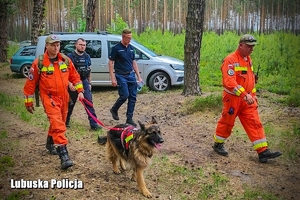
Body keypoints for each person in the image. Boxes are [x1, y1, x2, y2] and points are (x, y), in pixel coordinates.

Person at [212, 34, 282, 163]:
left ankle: (263, 152)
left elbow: (250, 81)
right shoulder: (230, 60)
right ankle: (218, 144)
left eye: (253, 46)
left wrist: (253, 97)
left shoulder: (248, 59)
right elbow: (230, 82)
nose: (251, 49)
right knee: (227, 122)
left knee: (255, 122)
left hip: (248, 99)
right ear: (240, 45)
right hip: (233, 99)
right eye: (249, 46)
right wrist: (245, 95)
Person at [23, 34, 84, 170]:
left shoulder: (65, 60)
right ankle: (64, 156)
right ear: (47, 46)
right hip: (49, 97)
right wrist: (28, 101)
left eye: (58, 45)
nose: (56, 48)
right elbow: (30, 83)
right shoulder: (39, 63)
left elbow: (75, 76)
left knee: (59, 122)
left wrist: (80, 91)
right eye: (53, 45)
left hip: (64, 97)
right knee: (57, 124)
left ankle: (50, 143)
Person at [108, 28, 143, 127]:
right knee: (125, 95)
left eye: (131, 38)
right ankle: (114, 109)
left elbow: (133, 62)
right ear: (123, 37)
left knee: (133, 97)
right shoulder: (116, 48)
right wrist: (113, 78)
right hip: (120, 75)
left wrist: (139, 77)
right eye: (128, 38)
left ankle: (129, 118)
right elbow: (110, 62)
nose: (129, 40)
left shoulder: (131, 48)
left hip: (131, 75)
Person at [66, 38, 101, 131]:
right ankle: (66, 121)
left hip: (84, 81)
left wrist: (89, 83)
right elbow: (65, 73)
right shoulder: (69, 57)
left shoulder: (87, 56)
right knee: (70, 104)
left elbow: (89, 70)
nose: (82, 47)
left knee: (89, 102)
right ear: (76, 45)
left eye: (84, 45)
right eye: (81, 44)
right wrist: (69, 84)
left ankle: (94, 124)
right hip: (72, 82)